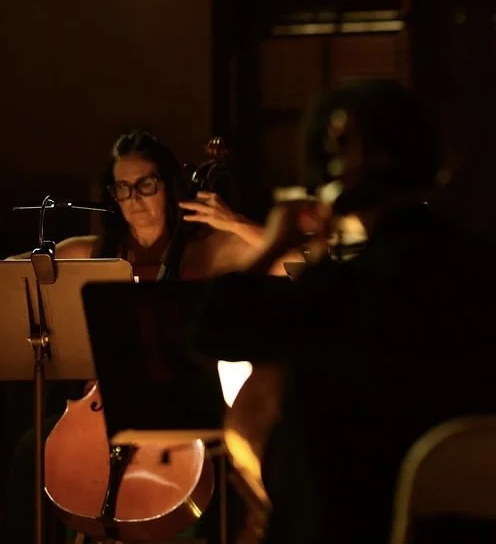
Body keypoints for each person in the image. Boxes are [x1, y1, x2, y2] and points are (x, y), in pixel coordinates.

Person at [193, 78, 496, 544]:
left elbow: (214, 330)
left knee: (267, 403)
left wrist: (274, 245)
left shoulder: (338, 288)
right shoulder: (491, 261)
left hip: (370, 520)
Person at [0, 130, 287, 543]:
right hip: (104, 408)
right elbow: (13, 272)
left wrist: (234, 222)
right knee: (32, 449)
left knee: (236, 464)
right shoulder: (95, 252)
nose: (133, 198)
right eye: (122, 188)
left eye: (145, 185)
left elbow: (299, 259)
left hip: (188, 404)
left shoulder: (207, 250)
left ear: (168, 186)